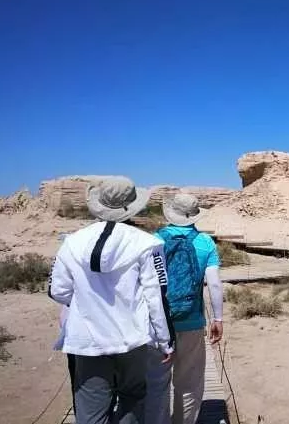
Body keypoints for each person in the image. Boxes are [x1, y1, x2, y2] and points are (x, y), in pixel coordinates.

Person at [49, 176, 175, 424]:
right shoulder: (149, 244)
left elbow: (58, 291)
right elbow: (156, 296)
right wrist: (165, 341)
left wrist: (87, 301)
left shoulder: (72, 242)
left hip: (86, 339)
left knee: (91, 410)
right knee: (132, 399)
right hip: (131, 339)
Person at [150, 192, 223, 424]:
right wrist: (218, 319)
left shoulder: (154, 240)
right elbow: (214, 283)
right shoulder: (205, 242)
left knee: (156, 382)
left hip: (157, 323)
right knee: (189, 382)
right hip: (192, 322)